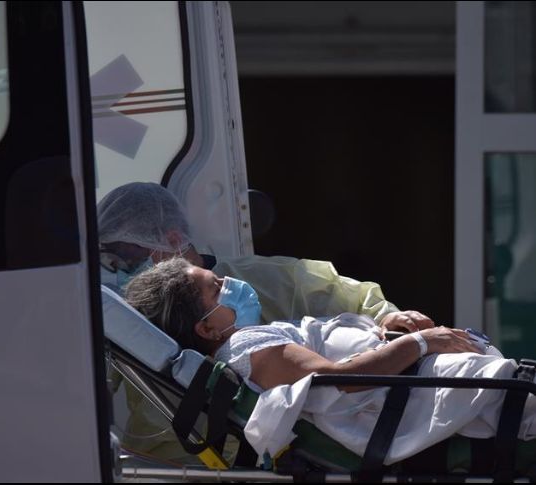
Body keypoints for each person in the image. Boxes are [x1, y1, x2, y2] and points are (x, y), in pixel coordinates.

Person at [98, 182, 436, 462]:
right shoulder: (132, 315)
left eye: (128, 255)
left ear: (171, 241)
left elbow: (361, 301)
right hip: (175, 459)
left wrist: (390, 318)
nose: (121, 268)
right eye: (112, 258)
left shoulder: (274, 280)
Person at [124, 258, 534, 464]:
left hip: (433, 387)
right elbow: (338, 379)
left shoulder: (247, 344)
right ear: (207, 329)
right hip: (438, 394)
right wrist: (423, 343)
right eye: (217, 288)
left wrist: (383, 328)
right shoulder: (246, 351)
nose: (230, 283)